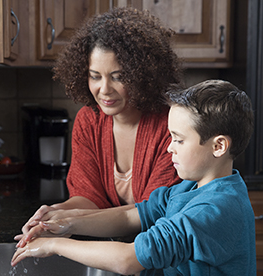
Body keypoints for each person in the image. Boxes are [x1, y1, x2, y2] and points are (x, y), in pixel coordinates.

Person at [12, 80, 256, 276]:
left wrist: (55, 245)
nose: (170, 147)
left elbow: (128, 259)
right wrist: (67, 223)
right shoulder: (191, 187)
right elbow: (134, 214)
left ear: (218, 146)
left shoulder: (216, 209)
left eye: (179, 140)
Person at [15, 7, 183, 243]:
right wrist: (56, 213)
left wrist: (72, 221)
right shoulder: (89, 120)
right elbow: (89, 197)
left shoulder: (171, 124)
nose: (104, 90)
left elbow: (148, 215)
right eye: (95, 76)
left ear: (142, 75)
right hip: (114, 253)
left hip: (164, 256)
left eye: (118, 77)